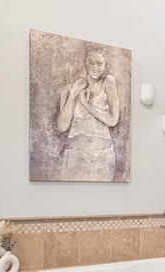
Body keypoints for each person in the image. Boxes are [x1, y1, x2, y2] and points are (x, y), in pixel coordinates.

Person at [57, 44, 120, 181]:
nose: (95, 67)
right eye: (90, 62)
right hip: (74, 156)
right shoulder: (70, 88)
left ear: (105, 64)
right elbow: (62, 127)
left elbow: (113, 120)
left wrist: (87, 105)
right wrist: (73, 95)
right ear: (85, 62)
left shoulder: (109, 82)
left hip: (102, 156)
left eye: (99, 63)